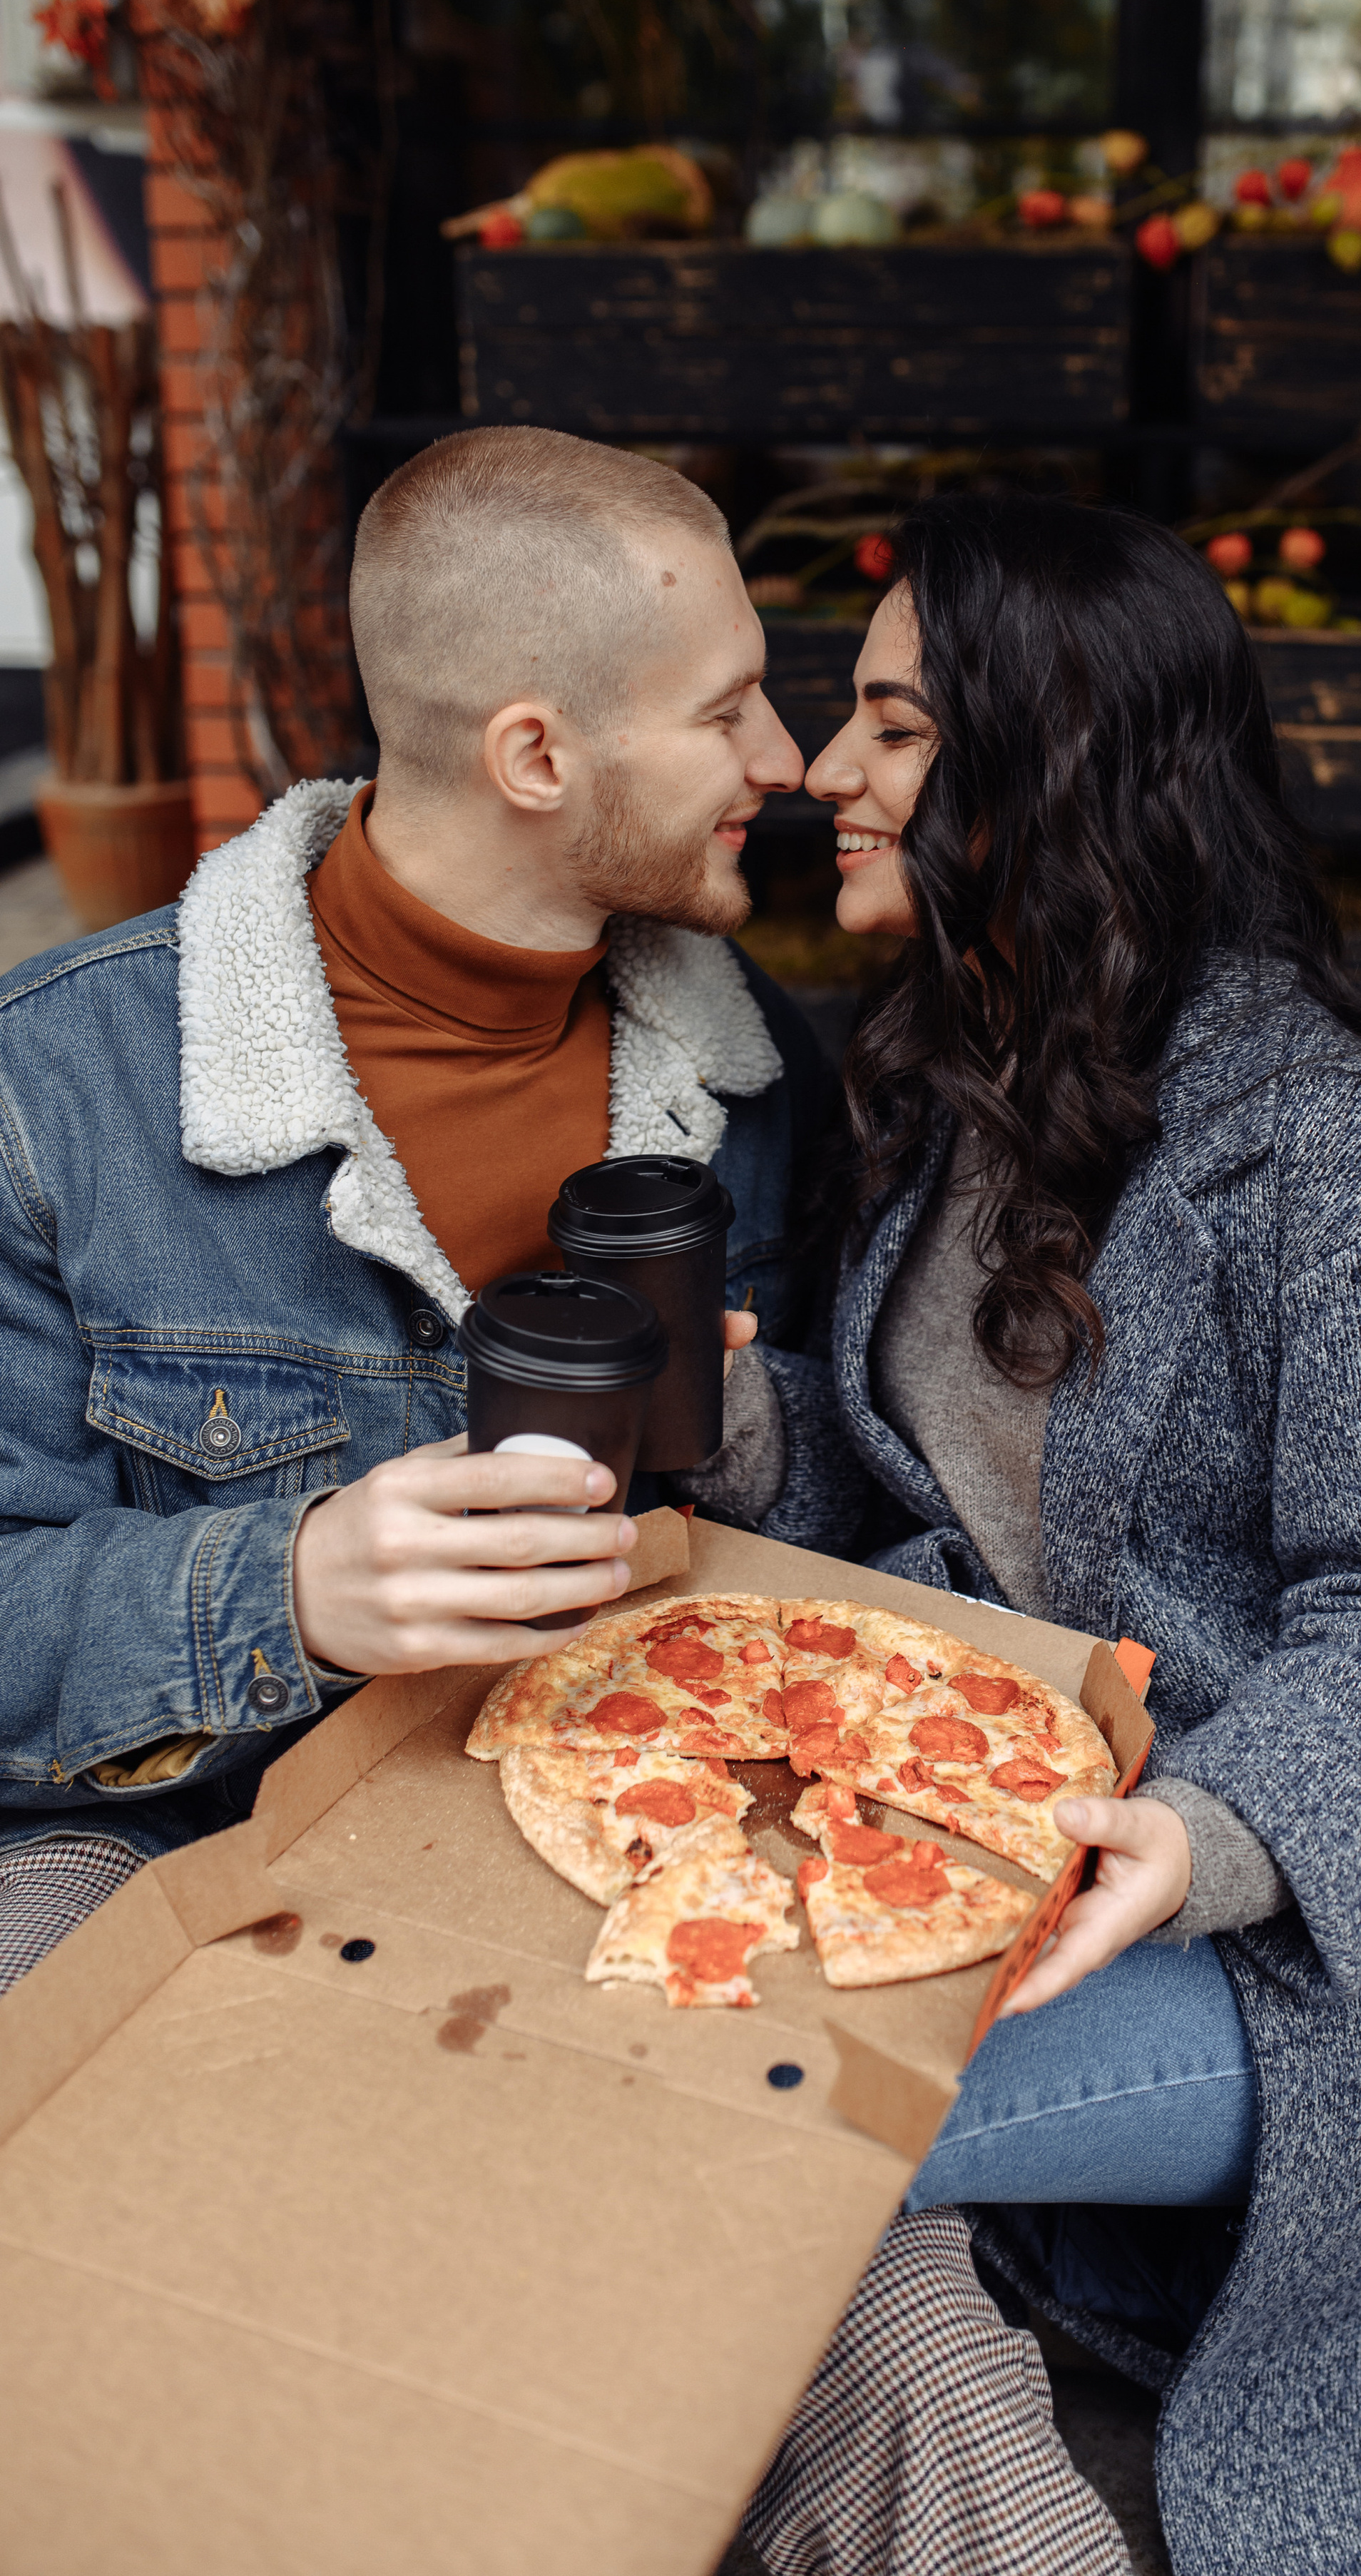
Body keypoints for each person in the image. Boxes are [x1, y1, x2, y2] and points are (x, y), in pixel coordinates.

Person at [685, 497, 1361, 2575]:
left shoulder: (1334, 1164)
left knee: (744, 2129)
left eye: (892, 728)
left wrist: (1203, 1838)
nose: (823, 770)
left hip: (1311, 1955)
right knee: (671, 2048)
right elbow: (924, 1500)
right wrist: (732, 1417)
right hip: (1023, 1834)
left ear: (1053, 764)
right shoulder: (954, 1077)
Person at [0, 427, 827, 1992]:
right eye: (725, 713)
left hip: (632, 1826)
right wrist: (290, 1591)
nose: (784, 759)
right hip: (177, 1837)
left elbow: (846, 1531)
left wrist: (758, 1436)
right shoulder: (47, 1089)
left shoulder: (761, 1076)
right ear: (536, 761)